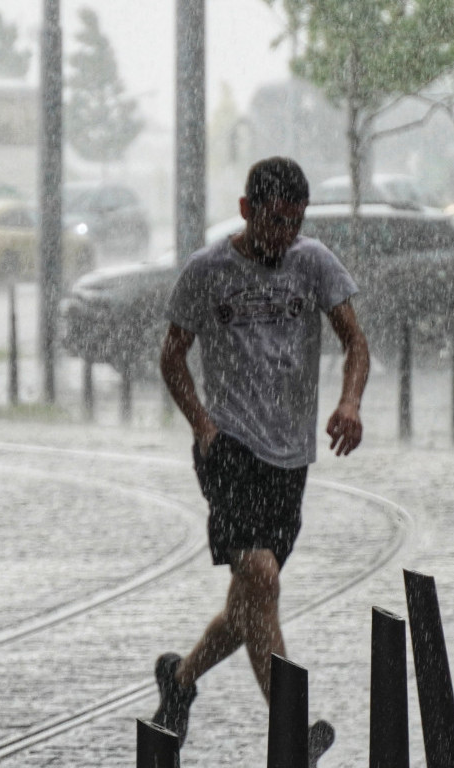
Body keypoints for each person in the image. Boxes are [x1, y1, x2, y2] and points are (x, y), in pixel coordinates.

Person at [150, 156, 369, 759]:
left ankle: (180, 679)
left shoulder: (314, 262)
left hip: (290, 456)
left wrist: (350, 402)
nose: (284, 237)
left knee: (249, 602)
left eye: (294, 224)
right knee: (260, 577)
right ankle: (291, 734)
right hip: (230, 449)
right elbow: (172, 354)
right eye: (275, 222)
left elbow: (355, 340)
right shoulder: (207, 271)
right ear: (247, 211)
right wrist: (202, 423)